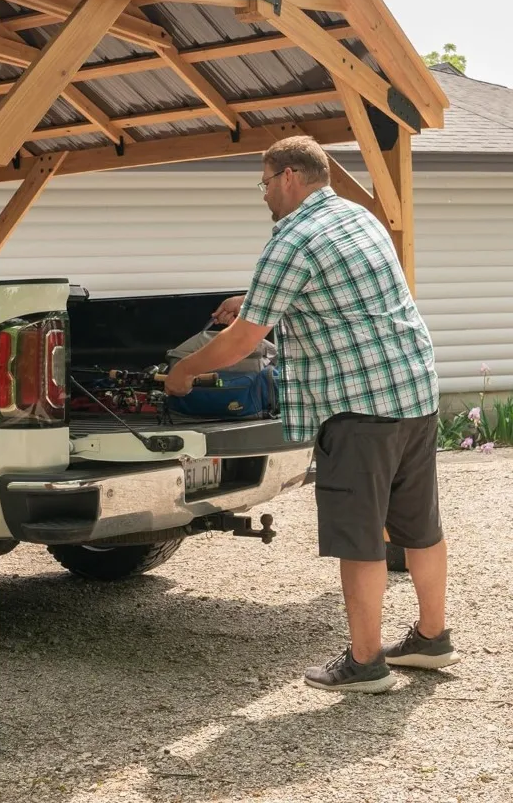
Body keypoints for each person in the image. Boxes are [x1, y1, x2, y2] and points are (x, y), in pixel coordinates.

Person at [164, 135, 460, 693]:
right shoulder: (357, 217)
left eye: (265, 183)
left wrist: (183, 375)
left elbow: (242, 341)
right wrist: (252, 295)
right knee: (419, 526)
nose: (265, 195)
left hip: (359, 408)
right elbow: (336, 286)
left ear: (289, 178)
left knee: (359, 536)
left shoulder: (292, 238)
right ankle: (432, 637)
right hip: (413, 392)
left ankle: (366, 663)